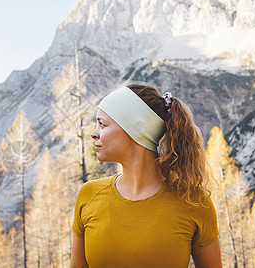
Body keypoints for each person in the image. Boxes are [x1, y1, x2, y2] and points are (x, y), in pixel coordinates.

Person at [69, 84, 222, 268]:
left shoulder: (193, 201)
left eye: (102, 124)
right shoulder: (88, 195)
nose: (94, 134)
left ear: (136, 129)